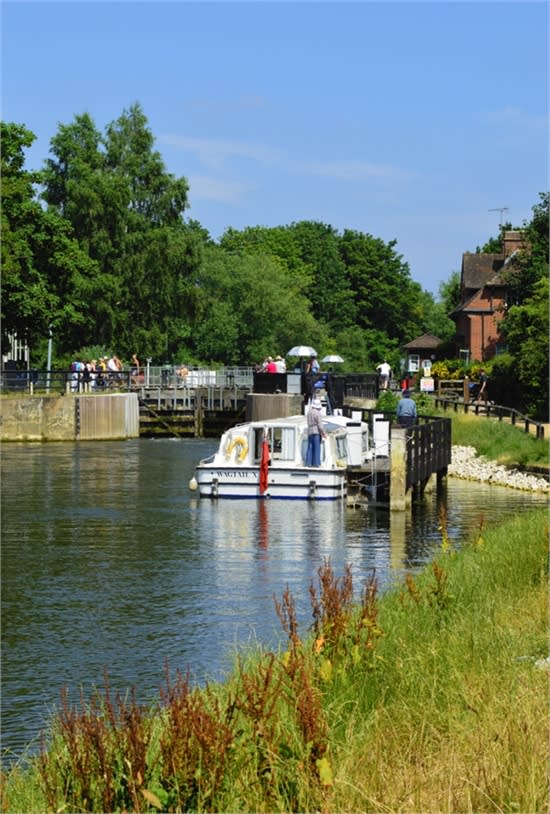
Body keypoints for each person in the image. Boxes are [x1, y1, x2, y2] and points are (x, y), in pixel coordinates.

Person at [306, 399, 327, 467]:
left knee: (310, 447)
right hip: (316, 432)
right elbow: (320, 425)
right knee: (317, 448)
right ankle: (317, 463)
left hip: (309, 431)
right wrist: (324, 433)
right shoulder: (318, 413)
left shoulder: (309, 412)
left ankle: (308, 463)